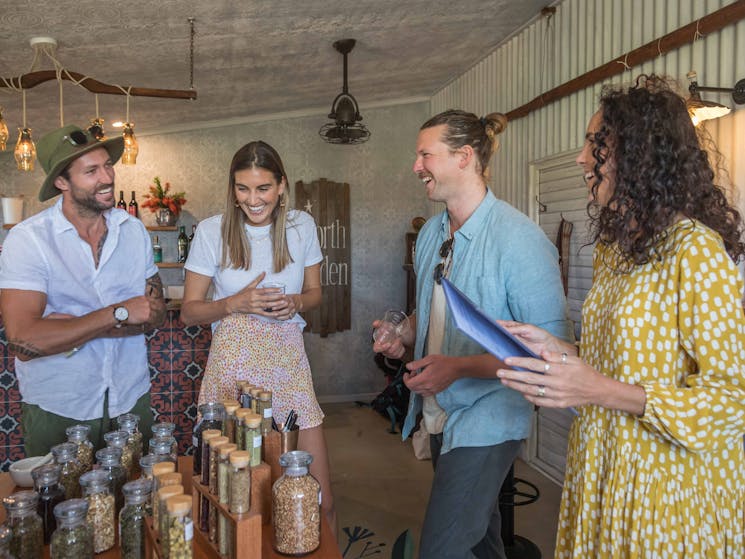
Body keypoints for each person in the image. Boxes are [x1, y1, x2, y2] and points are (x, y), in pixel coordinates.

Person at [498, 75, 745, 558]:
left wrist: (595, 389)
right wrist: (556, 349)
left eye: (597, 144)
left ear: (640, 157)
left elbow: (731, 401)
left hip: (666, 489)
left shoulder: (696, 251)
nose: (581, 158)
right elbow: (617, 359)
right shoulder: (618, 251)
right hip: (604, 463)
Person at [374, 110, 571, 558]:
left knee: (442, 549)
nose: (416, 166)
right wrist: (401, 335)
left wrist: (458, 368)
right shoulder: (430, 235)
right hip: (439, 412)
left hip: (489, 417)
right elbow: (429, 312)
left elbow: (552, 352)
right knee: (481, 541)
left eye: (426, 154)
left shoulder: (519, 240)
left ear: (464, 157)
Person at [180, 140, 336, 533]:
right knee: (239, 499)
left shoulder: (302, 227)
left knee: (319, 497)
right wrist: (235, 303)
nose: (253, 199)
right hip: (232, 368)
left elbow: (316, 295)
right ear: (232, 189)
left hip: (288, 366)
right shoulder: (212, 232)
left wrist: (296, 303)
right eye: (243, 189)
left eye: (263, 188)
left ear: (281, 185)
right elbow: (189, 311)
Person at [0, 124, 166, 456]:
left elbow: (153, 313)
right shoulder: (28, 240)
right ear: (62, 182)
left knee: (139, 500)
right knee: (59, 504)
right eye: (91, 171)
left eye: (107, 165)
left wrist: (68, 328)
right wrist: (117, 314)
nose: (107, 177)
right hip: (59, 406)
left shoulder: (132, 231)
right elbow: (24, 343)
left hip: (131, 398)